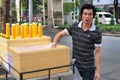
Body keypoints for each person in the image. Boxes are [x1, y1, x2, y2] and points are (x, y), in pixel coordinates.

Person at [51, 4, 102, 80]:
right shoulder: (74, 27)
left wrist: (98, 71)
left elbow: (97, 52)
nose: (87, 16)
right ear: (81, 15)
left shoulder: (97, 32)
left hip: (88, 69)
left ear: (93, 16)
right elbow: (60, 34)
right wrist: (54, 44)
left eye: (90, 14)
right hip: (76, 67)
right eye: (85, 14)